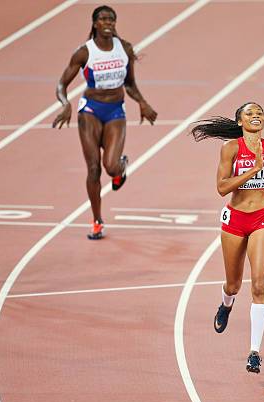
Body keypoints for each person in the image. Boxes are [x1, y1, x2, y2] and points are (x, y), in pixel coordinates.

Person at [191, 102, 264, 373]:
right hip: (235, 221)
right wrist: (252, 170)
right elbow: (221, 187)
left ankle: (254, 352)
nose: (256, 116)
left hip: (262, 218)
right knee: (234, 283)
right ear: (240, 121)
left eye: (260, 112)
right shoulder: (230, 149)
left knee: (259, 285)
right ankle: (226, 304)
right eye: (250, 113)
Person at [53, 5, 157, 239]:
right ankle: (97, 220)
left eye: (112, 19)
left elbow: (129, 83)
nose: (108, 22)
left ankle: (121, 167)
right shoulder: (84, 52)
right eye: (103, 19)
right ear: (95, 24)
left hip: (115, 112)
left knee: (110, 166)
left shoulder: (125, 49)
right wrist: (65, 104)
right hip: (90, 110)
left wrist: (142, 103)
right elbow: (61, 85)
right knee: (93, 168)